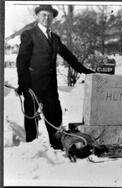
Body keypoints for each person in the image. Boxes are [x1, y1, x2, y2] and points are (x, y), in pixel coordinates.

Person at [16, 5, 95, 149]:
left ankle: (57, 145)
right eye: (43, 15)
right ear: (38, 16)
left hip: (50, 84)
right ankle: (31, 148)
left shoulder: (55, 38)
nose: (47, 18)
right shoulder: (29, 34)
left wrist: (85, 70)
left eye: (49, 16)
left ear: (53, 18)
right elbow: (21, 61)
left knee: (55, 114)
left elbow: (69, 57)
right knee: (31, 116)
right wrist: (23, 84)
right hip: (32, 84)